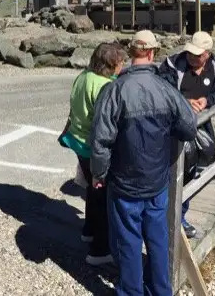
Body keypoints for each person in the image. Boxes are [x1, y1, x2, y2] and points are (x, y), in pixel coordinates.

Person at [89, 30, 197, 295]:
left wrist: (98, 174)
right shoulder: (166, 89)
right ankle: (161, 290)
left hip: (124, 184)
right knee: (158, 241)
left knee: (128, 242)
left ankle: (132, 291)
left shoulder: (114, 90)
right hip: (157, 181)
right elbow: (189, 129)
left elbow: (100, 140)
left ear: (131, 52)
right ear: (152, 53)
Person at [58, 42, 127, 266]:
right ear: (111, 63)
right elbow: (105, 123)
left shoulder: (83, 76)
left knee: (91, 189)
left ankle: (88, 230)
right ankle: (99, 250)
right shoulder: (105, 86)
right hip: (93, 146)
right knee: (103, 196)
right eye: (120, 61)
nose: (123, 65)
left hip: (77, 141)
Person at [158, 31, 215, 239]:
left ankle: (180, 214)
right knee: (172, 168)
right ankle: (169, 216)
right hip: (172, 125)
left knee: (194, 169)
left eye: (197, 55)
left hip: (200, 124)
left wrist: (207, 101)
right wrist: (185, 102)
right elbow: (162, 90)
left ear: (207, 54)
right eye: (190, 53)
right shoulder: (171, 65)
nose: (192, 57)